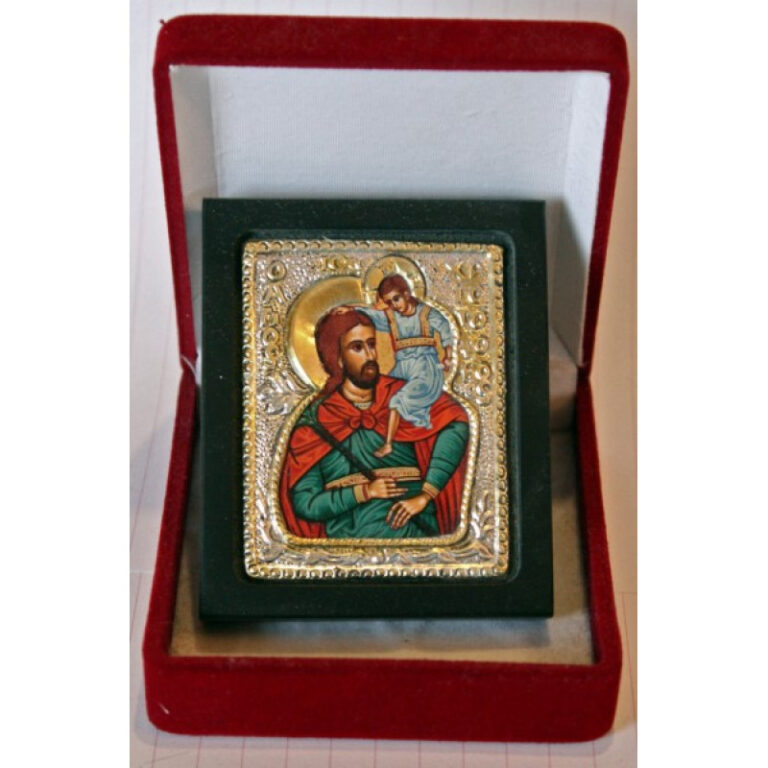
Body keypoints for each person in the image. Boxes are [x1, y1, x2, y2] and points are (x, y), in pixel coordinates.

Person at [279, 308, 469, 539]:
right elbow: (306, 504)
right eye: (357, 347)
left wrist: (426, 494)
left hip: (416, 533)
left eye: (371, 344)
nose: (370, 355)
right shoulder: (317, 420)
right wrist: (364, 492)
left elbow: (456, 421)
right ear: (337, 358)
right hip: (349, 540)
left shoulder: (403, 395)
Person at [358, 274, 454, 458]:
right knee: (380, 392)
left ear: (407, 293)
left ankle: (388, 445)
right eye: (389, 302)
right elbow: (371, 315)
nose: (394, 305)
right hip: (402, 366)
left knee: (397, 400)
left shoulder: (426, 314)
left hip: (425, 367)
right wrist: (349, 309)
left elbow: (445, 331)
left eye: (396, 299)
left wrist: (448, 356)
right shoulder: (392, 317)